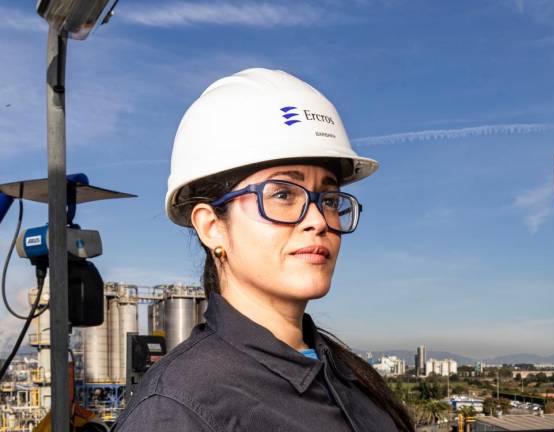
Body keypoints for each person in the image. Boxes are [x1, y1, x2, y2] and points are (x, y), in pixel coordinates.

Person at [113, 69, 414, 431]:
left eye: (330, 199)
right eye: (284, 194)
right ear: (212, 227)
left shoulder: (349, 376)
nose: (318, 220)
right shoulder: (177, 410)